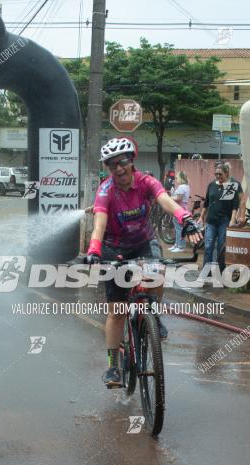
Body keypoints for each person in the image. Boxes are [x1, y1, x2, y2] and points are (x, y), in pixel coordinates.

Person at [83, 137, 201, 388]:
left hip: (144, 242)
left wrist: (185, 218)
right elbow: (99, 224)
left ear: (132, 161)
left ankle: (153, 315)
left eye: (122, 162)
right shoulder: (106, 190)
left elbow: (165, 201)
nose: (118, 169)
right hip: (113, 248)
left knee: (157, 270)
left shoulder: (147, 182)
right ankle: (113, 366)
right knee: (117, 312)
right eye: (111, 165)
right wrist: (94, 250)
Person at [200, 162, 243, 272]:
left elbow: (235, 205)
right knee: (208, 247)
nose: (218, 176)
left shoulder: (230, 186)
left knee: (221, 248)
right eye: (216, 174)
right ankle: (206, 272)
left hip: (224, 221)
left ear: (226, 173)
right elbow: (207, 203)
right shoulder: (211, 185)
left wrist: (233, 220)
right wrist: (201, 217)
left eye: (220, 174)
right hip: (211, 221)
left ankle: (221, 272)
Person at [169, 171, 191, 252]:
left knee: (179, 228)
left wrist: (170, 198)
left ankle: (180, 246)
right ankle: (177, 245)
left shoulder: (182, 187)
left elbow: (178, 198)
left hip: (179, 209)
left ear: (181, 178)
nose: (176, 179)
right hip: (182, 208)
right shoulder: (186, 186)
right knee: (178, 228)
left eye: (177, 178)